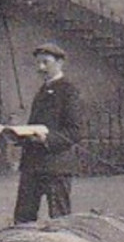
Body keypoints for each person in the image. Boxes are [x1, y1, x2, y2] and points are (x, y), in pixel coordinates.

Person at [11, 42, 82, 223]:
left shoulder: (68, 91)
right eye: (38, 63)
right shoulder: (42, 90)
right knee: (23, 218)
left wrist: (47, 138)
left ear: (60, 63)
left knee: (60, 220)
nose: (40, 68)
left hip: (56, 165)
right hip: (32, 164)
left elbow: (75, 132)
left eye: (45, 62)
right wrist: (17, 136)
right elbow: (35, 126)